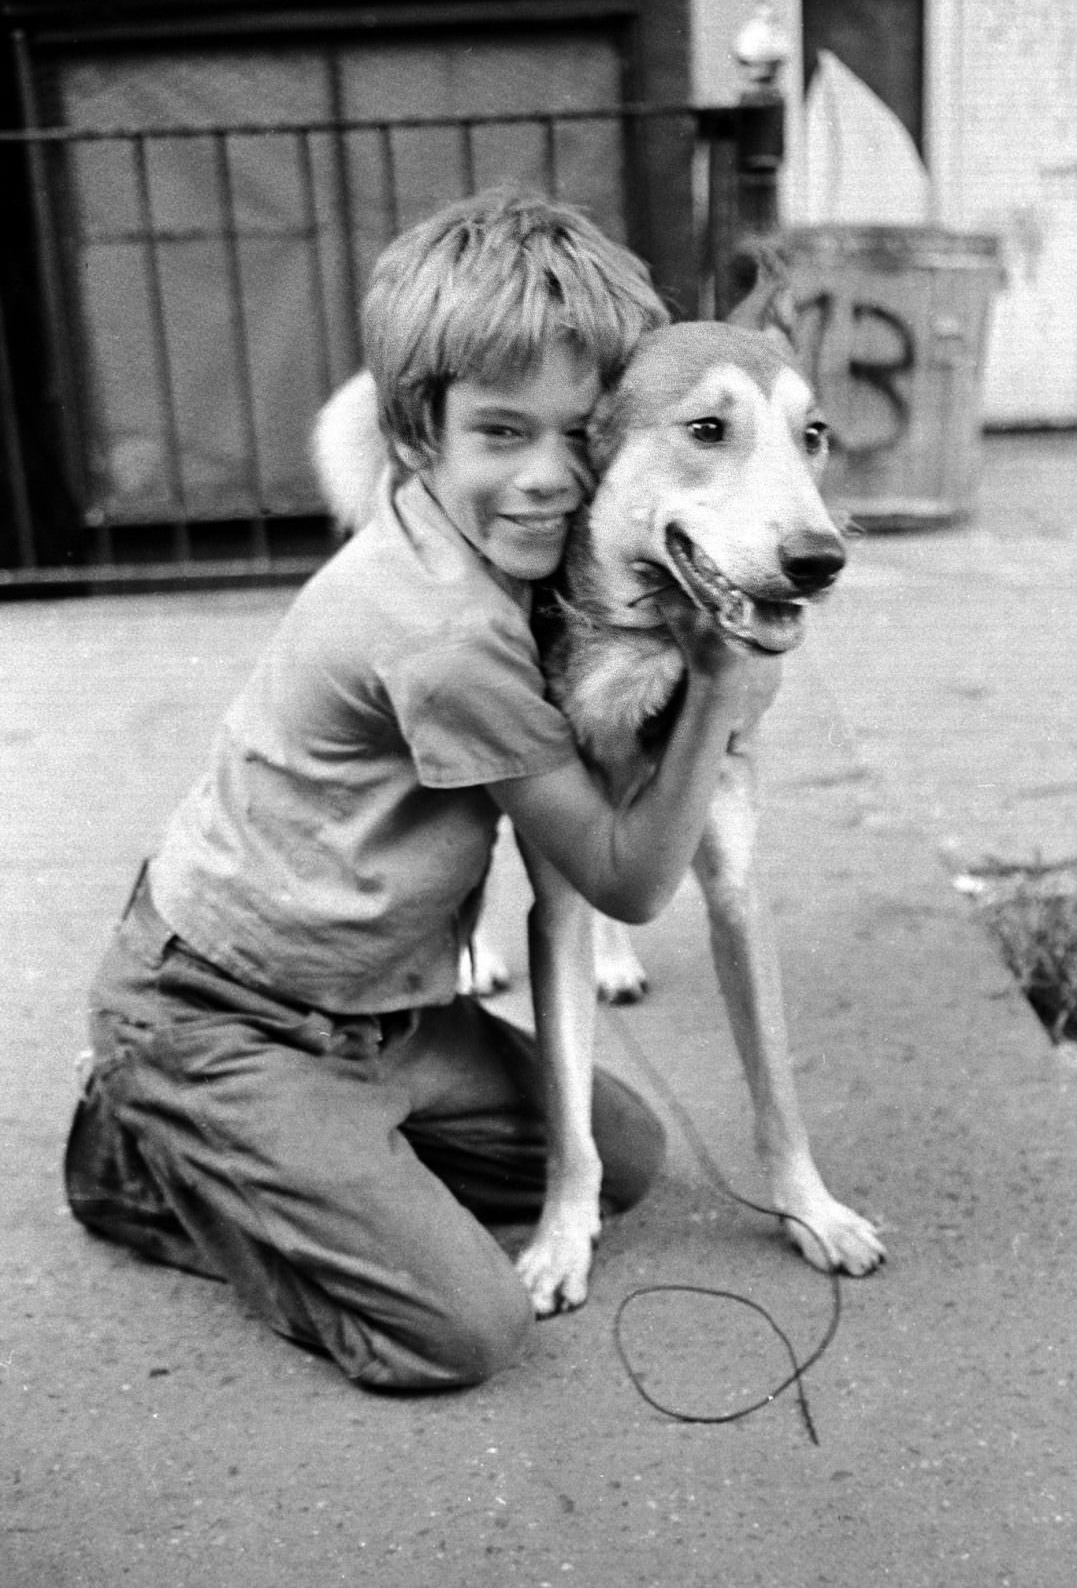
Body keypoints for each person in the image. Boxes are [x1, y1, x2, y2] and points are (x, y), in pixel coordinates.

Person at [64, 189, 770, 1391]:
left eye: (580, 433)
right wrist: (717, 675)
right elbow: (627, 880)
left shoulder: (477, 544)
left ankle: (321, 1154)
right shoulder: (447, 633)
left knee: (626, 1151)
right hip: (221, 1013)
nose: (552, 478)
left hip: (376, 1014)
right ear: (416, 435)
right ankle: (142, 1159)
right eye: (503, 434)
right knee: (459, 1329)